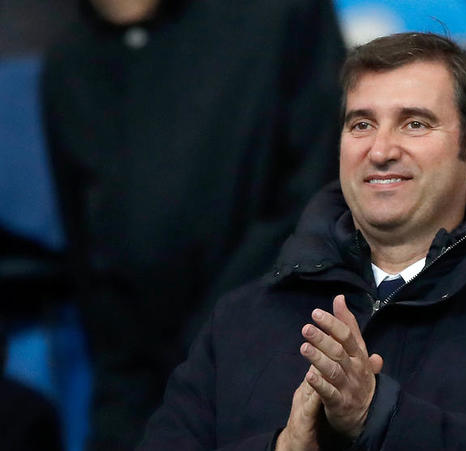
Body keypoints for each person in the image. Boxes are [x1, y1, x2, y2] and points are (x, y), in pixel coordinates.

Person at [138, 32, 466, 450]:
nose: (380, 150)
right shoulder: (244, 317)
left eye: (414, 123)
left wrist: (382, 419)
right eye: (362, 124)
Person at [42, 0, 345, 448]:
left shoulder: (282, 15)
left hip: (276, 360)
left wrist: (221, 328)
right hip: (133, 391)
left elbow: (320, 187)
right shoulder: (67, 62)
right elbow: (87, 253)